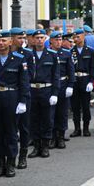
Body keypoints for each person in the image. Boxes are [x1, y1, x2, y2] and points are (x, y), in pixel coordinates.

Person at [0, 30, 29, 178]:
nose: (1, 43)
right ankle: (0, 164)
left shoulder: (19, 59)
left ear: (10, 42)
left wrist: (23, 101)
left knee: (11, 132)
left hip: (11, 96)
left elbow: (24, 82)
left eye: (4, 41)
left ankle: (11, 163)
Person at [28, 29, 60, 159]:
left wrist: (55, 93)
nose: (39, 40)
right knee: (33, 119)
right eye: (37, 38)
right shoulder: (28, 55)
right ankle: (36, 146)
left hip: (46, 90)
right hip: (32, 90)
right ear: (33, 40)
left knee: (47, 119)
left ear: (45, 39)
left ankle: (45, 146)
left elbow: (56, 76)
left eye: (42, 37)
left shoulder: (52, 55)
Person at [9, 28, 35, 169]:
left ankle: (23, 156)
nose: (22, 41)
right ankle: (10, 156)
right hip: (9, 95)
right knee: (10, 127)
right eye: (19, 38)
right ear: (12, 38)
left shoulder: (28, 54)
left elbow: (30, 74)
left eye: (24, 38)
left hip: (23, 93)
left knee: (24, 128)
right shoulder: (5, 53)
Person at [48, 32, 75, 149]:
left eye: (60, 40)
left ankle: (61, 136)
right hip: (51, 86)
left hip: (63, 84)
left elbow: (71, 71)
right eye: (56, 40)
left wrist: (70, 85)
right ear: (51, 42)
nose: (58, 42)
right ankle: (53, 137)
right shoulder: (47, 54)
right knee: (51, 113)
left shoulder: (66, 54)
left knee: (62, 113)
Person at [70, 28, 94, 137]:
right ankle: (77, 128)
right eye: (74, 37)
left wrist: (91, 81)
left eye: (78, 37)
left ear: (83, 36)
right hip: (75, 80)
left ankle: (86, 128)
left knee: (85, 106)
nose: (76, 39)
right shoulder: (71, 51)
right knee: (75, 106)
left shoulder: (89, 50)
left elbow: (92, 67)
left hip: (85, 79)